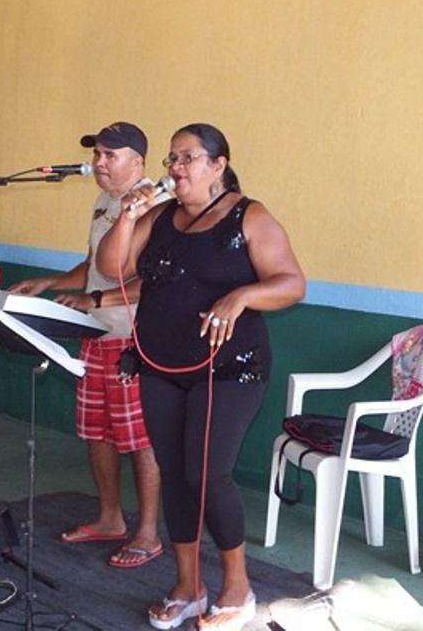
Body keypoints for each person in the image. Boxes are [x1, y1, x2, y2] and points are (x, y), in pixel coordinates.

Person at [97, 123, 305, 630]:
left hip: (230, 369)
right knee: (176, 476)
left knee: (207, 472)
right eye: (171, 159)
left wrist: (242, 296)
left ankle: (238, 587)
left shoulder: (247, 216)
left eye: (187, 158)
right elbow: (111, 268)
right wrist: (128, 215)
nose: (175, 169)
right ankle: (189, 586)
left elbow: (292, 282)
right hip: (162, 366)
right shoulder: (160, 216)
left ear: (218, 164)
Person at [10, 122, 164, 569]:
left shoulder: (157, 207)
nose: (98, 163)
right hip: (95, 333)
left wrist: (94, 298)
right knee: (98, 432)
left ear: (137, 162)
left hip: (134, 338)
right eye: (97, 153)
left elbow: (150, 280)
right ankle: (110, 518)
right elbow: (95, 264)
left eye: (109, 155)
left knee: (139, 439)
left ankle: (148, 531)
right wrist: (51, 281)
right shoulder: (104, 201)